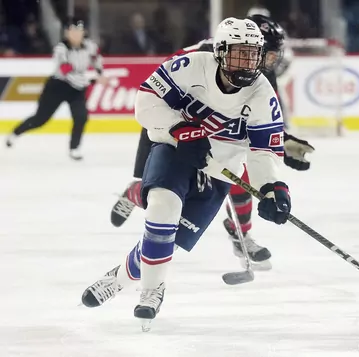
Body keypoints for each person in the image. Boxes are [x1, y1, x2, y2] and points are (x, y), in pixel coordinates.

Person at [81, 17, 291, 330]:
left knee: (167, 241)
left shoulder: (262, 94)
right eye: (238, 53)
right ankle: (153, 290)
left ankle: (119, 278)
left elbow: (263, 151)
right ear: (220, 51)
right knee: (164, 207)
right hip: (175, 150)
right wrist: (181, 131)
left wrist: (274, 188)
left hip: (220, 171)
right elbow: (146, 102)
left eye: (252, 54)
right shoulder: (191, 67)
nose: (246, 63)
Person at [110, 15, 314, 268]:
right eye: (268, 53)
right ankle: (134, 193)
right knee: (161, 190)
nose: (268, 60)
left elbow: (254, 121)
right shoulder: (206, 57)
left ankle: (241, 236)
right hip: (173, 123)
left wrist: (283, 141)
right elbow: (157, 95)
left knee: (240, 175)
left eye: (266, 54)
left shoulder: (253, 68)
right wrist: (179, 128)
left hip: (215, 132)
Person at [5, 18, 108, 160]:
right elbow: (67, 71)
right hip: (58, 87)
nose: (77, 34)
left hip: (77, 90)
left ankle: (74, 148)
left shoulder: (90, 46)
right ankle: (15, 133)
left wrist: (100, 72)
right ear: (66, 33)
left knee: (81, 116)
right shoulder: (60, 49)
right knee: (40, 119)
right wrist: (93, 79)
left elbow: (97, 60)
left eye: (79, 31)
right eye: (73, 31)